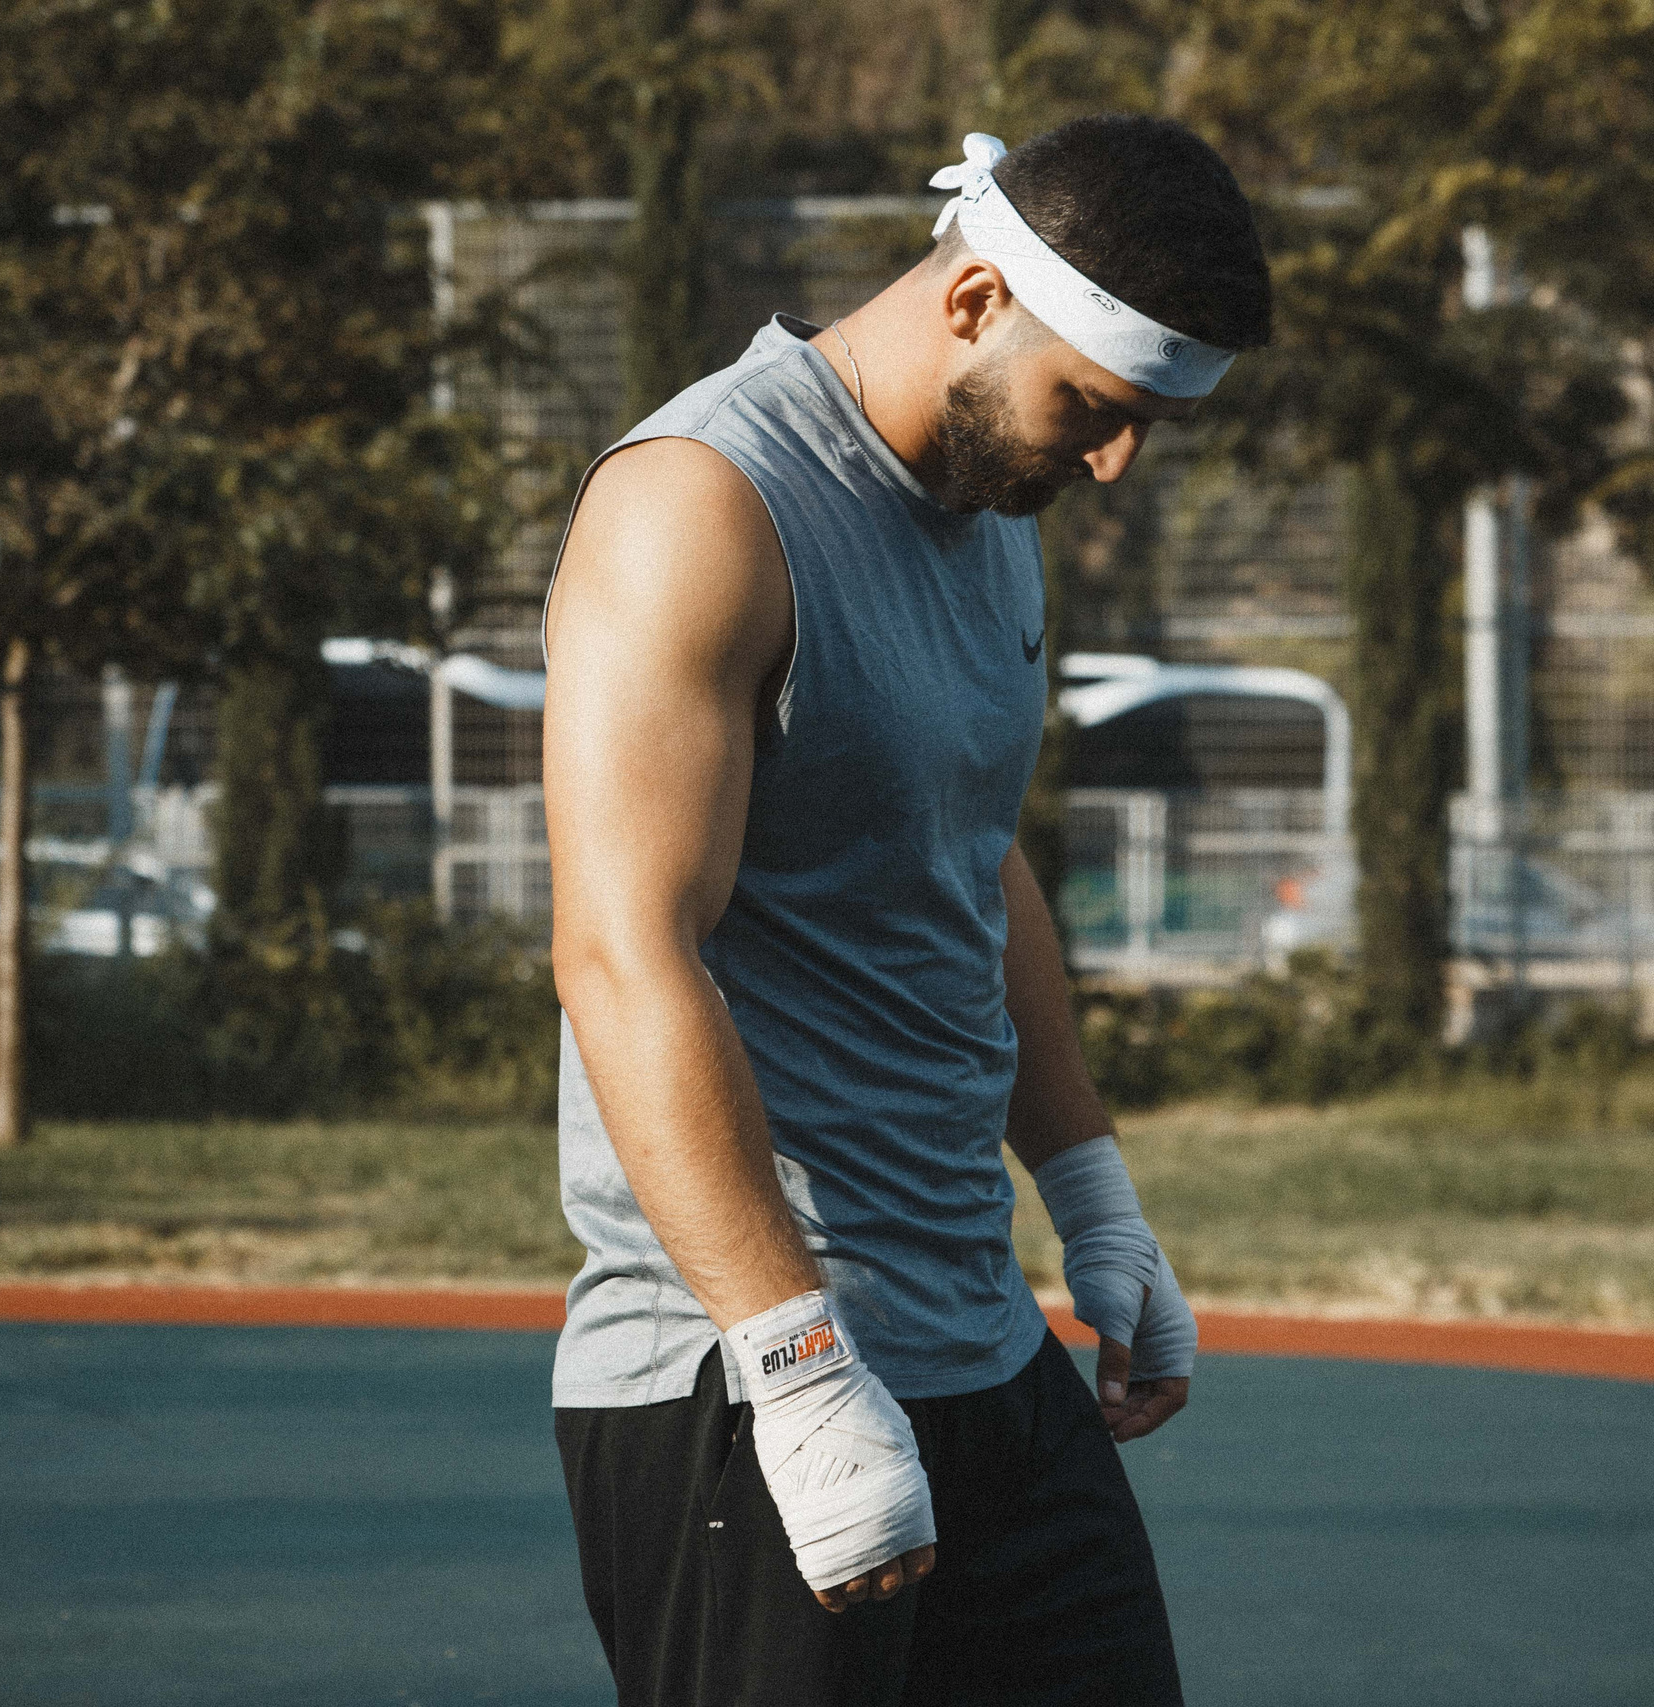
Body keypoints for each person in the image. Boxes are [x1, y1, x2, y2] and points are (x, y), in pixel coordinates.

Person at [541, 114, 1273, 1707]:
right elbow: (622, 956)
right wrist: (797, 1368)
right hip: (744, 1379)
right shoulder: (704, 504)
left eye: (1147, 426)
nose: (1111, 463)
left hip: (980, 1344)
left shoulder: (992, 505)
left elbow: (966, 851)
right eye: (1097, 408)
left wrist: (1089, 1193)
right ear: (972, 301)